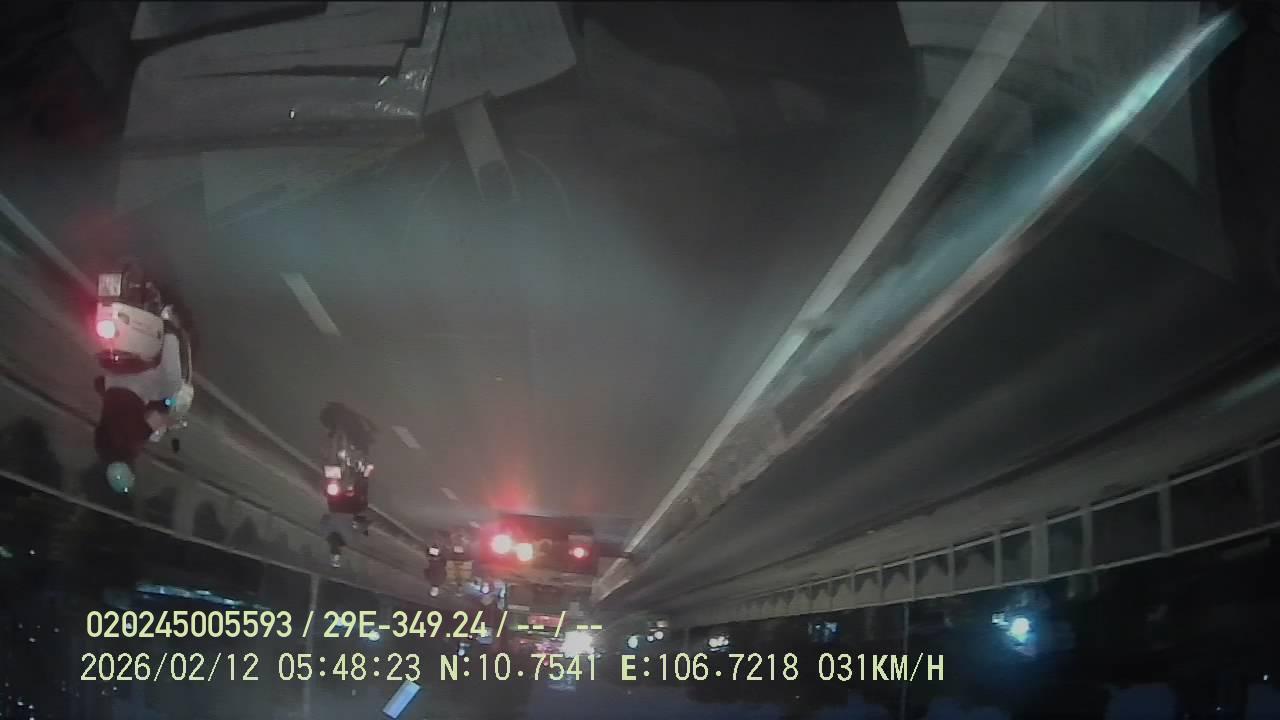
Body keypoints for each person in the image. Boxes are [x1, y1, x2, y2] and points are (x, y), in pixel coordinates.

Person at [93, 330, 190, 493]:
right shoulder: (100, 445)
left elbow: (156, 418)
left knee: (173, 384)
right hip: (112, 383)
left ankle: (170, 336)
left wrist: (172, 422)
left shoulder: (130, 447)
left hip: (136, 387)